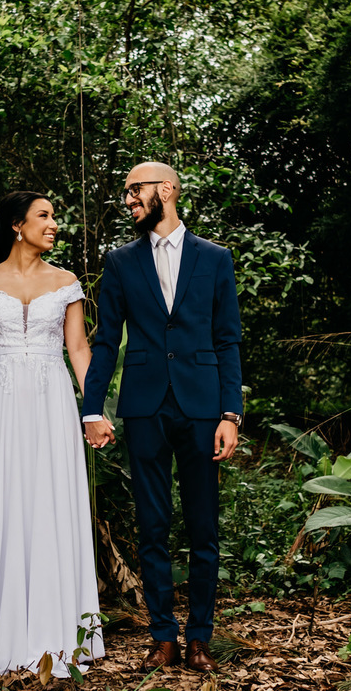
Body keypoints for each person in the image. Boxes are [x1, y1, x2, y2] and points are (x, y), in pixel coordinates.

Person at [0, 191, 104, 678]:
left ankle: (56, 634)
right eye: (44, 217)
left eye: (55, 218)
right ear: (16, 225)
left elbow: (78, 350)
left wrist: (95, 410)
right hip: (4, 405)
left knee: (52, 501)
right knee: (6, 502)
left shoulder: (67, 282)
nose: (53, 225)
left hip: (53, 403)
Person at [82, 162, 243, 673]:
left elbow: (227, 339)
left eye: (136, 191)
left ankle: (199, 637)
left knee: (203, 528)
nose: (128, 200)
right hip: (144, 406)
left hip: (202, 408)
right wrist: (92, 407)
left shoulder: (215, 258)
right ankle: (163, 637)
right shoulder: (121, 261)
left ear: (167, 190)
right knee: (152, 525)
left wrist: (230, 413)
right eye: (126, 193)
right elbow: (106, 340)